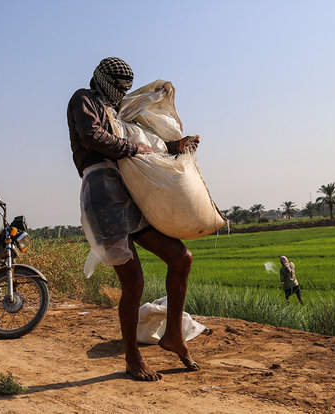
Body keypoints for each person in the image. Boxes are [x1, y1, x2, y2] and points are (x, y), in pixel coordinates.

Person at [67, 57, 200, 381]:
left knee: (180, 258)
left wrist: (173, 146)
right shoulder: (83, 100)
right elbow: (92, 137)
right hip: (102, 196)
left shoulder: (117, 112)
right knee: (134, 283)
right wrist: (134, 149)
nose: (122, 93)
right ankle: (132, 358)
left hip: (128, 193)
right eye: (120, 88)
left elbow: (144, 143)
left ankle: (173, 335)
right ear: (103, 82)